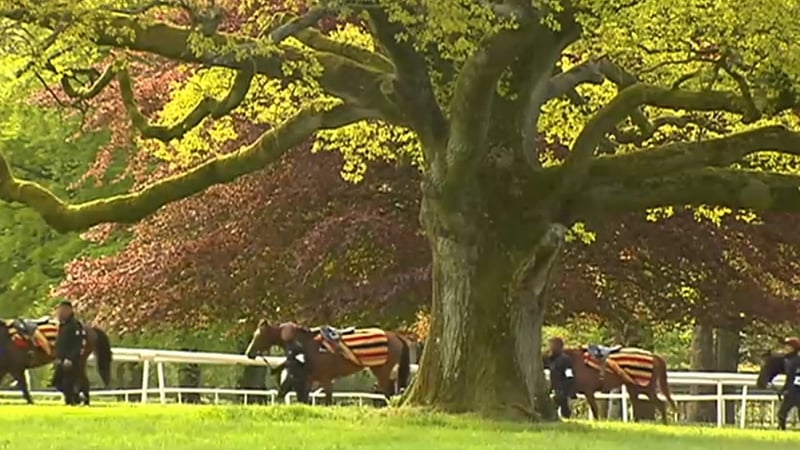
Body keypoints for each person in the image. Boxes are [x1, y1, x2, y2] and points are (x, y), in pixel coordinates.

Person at [51, 301, 85, 405]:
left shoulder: (75, 325)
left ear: (69, 311)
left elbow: (77, 345)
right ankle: (75, 397)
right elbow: (59, 343)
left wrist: (70, 359)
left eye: (63, 311)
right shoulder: (62, 326)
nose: (60, 313)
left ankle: (72, 401)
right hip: (61, 360)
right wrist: (57, 357)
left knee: (67, 382)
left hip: (71, 361)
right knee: (56, 382)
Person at [547, 337, 576, 418]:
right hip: (555, 389)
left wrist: (565, 389)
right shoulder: (551, 359)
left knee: (564, 408)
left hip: (562, 390)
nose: (551, 347)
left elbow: (569, 375)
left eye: (553, 345)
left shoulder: (565, 360)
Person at [778, 337, 800, 430]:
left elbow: (791, 378)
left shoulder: (793, 361)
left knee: (782, 413)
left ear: (793, 348)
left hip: (794, 391)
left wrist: (785, 390)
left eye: (787, 346)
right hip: (794, 390)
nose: (785, 348)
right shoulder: (791, 360)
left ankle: (781, 430)